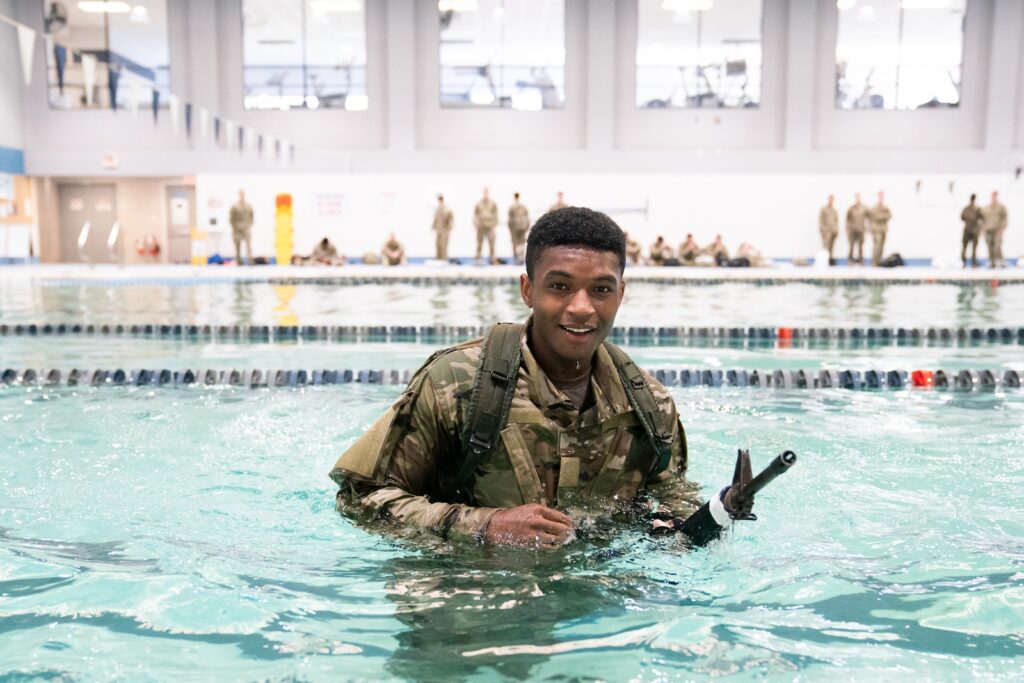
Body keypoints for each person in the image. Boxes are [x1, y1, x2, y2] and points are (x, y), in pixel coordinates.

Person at [330, 207, 755, 547]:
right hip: (466, 591)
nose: (582, 307)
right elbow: (359, 499)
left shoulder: (648, 404)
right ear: (528, 290)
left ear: (621, 295)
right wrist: (485, 527)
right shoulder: (457, 384)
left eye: (602, 289)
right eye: (560, 287)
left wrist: (693, 520)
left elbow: (669, 495)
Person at [982, 191, 1008, 268]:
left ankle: (1001, 262)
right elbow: (982, 219)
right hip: (988, 230)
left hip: (997, 230)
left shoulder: (1001, 207)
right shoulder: (986, 207)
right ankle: (991, 263)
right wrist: (982, 229)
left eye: (995, 196)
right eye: (992, 196)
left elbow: (1005, 218)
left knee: (997, 246)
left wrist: (1002, 228)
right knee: (989, 247)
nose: (993, 198)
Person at [228, 189, 254, 266]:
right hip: (237, 228)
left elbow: (251, 216)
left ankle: (250, 260)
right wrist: (234, 227)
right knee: (237, 245)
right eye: (240, 194)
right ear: (239, 194)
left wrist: (249, 225)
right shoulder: (235, 206)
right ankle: (239, 260)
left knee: (248, 244)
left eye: (243, 194)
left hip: (246, 228)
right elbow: (231, 218)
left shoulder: (248, 206)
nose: (242, 195)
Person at [473, 188, 499, 264]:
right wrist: (476, 224)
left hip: (490, 226)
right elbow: (475, 215)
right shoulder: (478, 204)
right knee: (479, 244)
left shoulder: (493, 203)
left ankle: (492, 259)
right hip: (481, 226)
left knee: (492, 244)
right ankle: (478, 259)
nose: (485, 194)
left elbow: (495, 215)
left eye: (487, 193)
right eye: (484, 193)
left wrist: (494, 225)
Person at [868, 192, 892, 267]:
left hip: (883, 230)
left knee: (881, 246)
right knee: (877, 246)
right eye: (880, 196)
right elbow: (873, 218)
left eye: (882, 196)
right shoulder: (874, 208)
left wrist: (881, 216)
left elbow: (889, 215)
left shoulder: (885, 207)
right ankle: (874, 262)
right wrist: (881, 216)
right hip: (876, 230)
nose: (881, 198)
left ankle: (879, 262)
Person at [508, 192, 531, 265]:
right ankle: (517, 258)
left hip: (520, 228)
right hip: (517, 228)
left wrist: (527, 226)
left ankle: (519, 258)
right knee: (517, 243)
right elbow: (510, 219)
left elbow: (526, 217)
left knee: (520, 243)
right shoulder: (514, 207)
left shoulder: (521, 207)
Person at [960, 194, 983, 268]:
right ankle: (973, 262)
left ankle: (964, 262)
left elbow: (962, 217)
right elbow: (982, 217)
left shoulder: (966, 208)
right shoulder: (977, 209)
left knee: (965, 247)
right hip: (974, 230)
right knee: (973, 247)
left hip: (967, 230)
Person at [845, 193, 867, 265]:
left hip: (861, 230)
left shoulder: (864, 208)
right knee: (851, 245)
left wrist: (869, 227)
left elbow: (869, 217)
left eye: (859, 197)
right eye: (856, 197)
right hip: (852, 230)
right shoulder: (851, 208)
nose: (858, 199)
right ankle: (850, 260)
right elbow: (847, 219)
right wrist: (847, 229)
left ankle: (861, 261)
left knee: (861, 246)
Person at [432, 195, 454, 261]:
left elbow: (451, 220)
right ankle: (438, 258)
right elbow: (435, 219)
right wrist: (433, 227)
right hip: (438, 230)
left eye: (440, 201)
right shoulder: (437, 210)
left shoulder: (447, 210)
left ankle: (444, 259)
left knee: (444, 245)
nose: (439, 202)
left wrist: (449, 229)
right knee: (437, 244)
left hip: (445, 230)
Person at [819, 195, 839, 263]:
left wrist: (836, 231)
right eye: (830, 199)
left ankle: (830, 260)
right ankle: (824, 261)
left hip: (833, 231)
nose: (831, 201)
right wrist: (822, 231)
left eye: (832, 200)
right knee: (825, 247)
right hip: (826, 232)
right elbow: (821, 220)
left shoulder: (834, 210)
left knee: (831, 247)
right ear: (828, 200)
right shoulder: (823, 209)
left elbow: (836, 221)